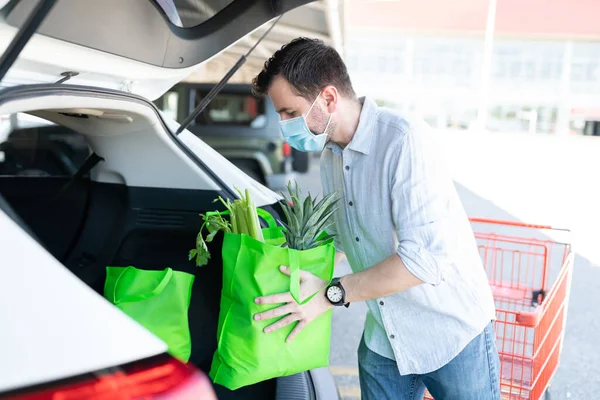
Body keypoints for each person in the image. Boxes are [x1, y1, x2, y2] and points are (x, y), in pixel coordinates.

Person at [250, 37, 500, 400]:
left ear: (329, 98)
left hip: (450, 334)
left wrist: (330, 293)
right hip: (386, 334)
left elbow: (422, 261)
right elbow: (339, 235)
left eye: (290, 112)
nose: (284, 125)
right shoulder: (330, 156)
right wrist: (298, 272)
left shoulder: (403, 141)